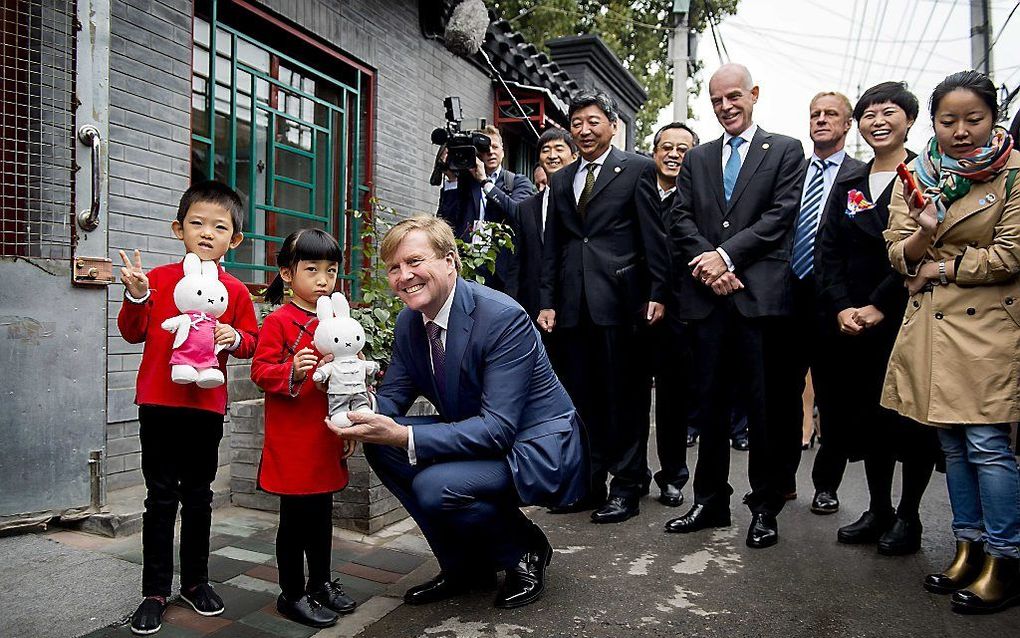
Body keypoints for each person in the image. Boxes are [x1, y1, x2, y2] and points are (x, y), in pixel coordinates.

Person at [333, 216, 587, 609]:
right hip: (479, 433)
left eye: (415, 261)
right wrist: (349, 405)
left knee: (437, 486)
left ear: (450, 261)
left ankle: (525, 549)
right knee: (380, 445)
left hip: (533, 444)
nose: (404, 276)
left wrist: (404, 435)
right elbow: (391, 400)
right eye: (394, 268)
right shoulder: (409, 323)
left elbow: (499, 429)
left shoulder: (501, 318)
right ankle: (463, 565)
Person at [883, 70, 1020, 614]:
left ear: (993, 118)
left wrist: (939, 265)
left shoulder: (1012, 173)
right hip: (933, 327)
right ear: (933, 123)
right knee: (954, 445)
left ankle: (1006, 560)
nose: (961, 131)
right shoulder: (915, 173)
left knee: (989, 445)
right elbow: (897, 252)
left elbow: (1010, 255)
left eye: (974, 119)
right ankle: (969, 546)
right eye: (949, 121)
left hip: (988, 327)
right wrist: (923, 228)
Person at [665, 63, 803, 549]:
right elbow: (680, 219)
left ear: (754, 94)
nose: (726, 107)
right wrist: (708, 264)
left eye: (734, 97)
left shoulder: (785, 150)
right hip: (705, 301)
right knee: (709, 407)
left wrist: (725, 256)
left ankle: (765, 506)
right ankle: (710, 501)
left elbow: (781, 215)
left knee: (762, 409)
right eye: (717, 99)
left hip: (757, 299)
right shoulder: (698, 157)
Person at [116, 181, 259, 635]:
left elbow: (250, 341)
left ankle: (196, 582)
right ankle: (154, 590)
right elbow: (132, 333)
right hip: (158, 401)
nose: (206, 232)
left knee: (198, 495)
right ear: (178, 228)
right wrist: (137, 296)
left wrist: (234, 337)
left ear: (234, 239)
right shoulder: (157, 279)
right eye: (196, 223)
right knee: (160, 497)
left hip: (206, 405)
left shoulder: (234, 290)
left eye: (219, 226)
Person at [816, 82, 940, 555]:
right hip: (854, 321)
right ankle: (878, 509)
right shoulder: (850, 182)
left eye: (888, 112)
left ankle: (909, 517)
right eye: (868, 114)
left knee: (907, 421)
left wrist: (878, 305)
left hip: (904, 316)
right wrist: (842, 306)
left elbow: (926, 247)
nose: (877, 121)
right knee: (868, 418)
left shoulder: (924, 179)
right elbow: (827, 250)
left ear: (909, 120)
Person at [537, 89, 670, 524]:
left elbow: (654, 236)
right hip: (573, 307)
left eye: (593, 121)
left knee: (625, 398)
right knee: (581, 400)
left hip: (622, 302)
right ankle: (589, 484)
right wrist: (548, 301)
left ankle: (628, 485)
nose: (584, 130)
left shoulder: (635, 169)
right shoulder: (561, 179)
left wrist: (657, 291)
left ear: (613, 125)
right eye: (577, 123)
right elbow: (553, 246)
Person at [250, 229, 359, 628]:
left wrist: (348, 428)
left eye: (330, 271)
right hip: (293, 437)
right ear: (286, 272)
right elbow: (260, 371)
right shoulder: (279, 320)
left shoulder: (339, 322)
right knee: (294, 521)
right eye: (311, 269)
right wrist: (289, 370)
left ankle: (321, 583)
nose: (322, 280)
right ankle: (291, 593)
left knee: (322, 516)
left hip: (325, 432)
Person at [770, 90, 865, 514]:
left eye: (831, 115)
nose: (821, 120)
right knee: (783, 393)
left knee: (835, 394)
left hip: (834, 300)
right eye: (815, 114)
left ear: (847, 124)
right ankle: (783, 478)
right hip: (788, 296)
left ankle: (826, 484)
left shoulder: (860, 176)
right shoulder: (793, 172)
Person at [640, 122, 698, 507]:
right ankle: (631, 474)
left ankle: (673, 475)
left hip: (679, 311)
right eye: (667, 146)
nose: (674, 153)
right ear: (654, 151)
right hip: (632, 309)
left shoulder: (698, 195)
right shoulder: (637, 188)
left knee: (674, 401)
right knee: (629, 398)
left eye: (683, 148)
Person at [437, 125, 535, 293]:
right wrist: (452, 180)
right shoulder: (464, 184)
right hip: (467, 265)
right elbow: (445, 222)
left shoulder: (517, 182)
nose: (491, 152)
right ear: (477, 152)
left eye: (495, 147)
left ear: (503, 151)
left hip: (502, 271)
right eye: (485, 148)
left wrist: (485, 182)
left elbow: (517, 213)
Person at [512, 128, 578, 321]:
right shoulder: (525, 208)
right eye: (545, 150)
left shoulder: (585, 200)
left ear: (574, 156)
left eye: (559, 148)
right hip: (533, 305)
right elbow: (516, 263)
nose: (552, 155)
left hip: (575, 305)